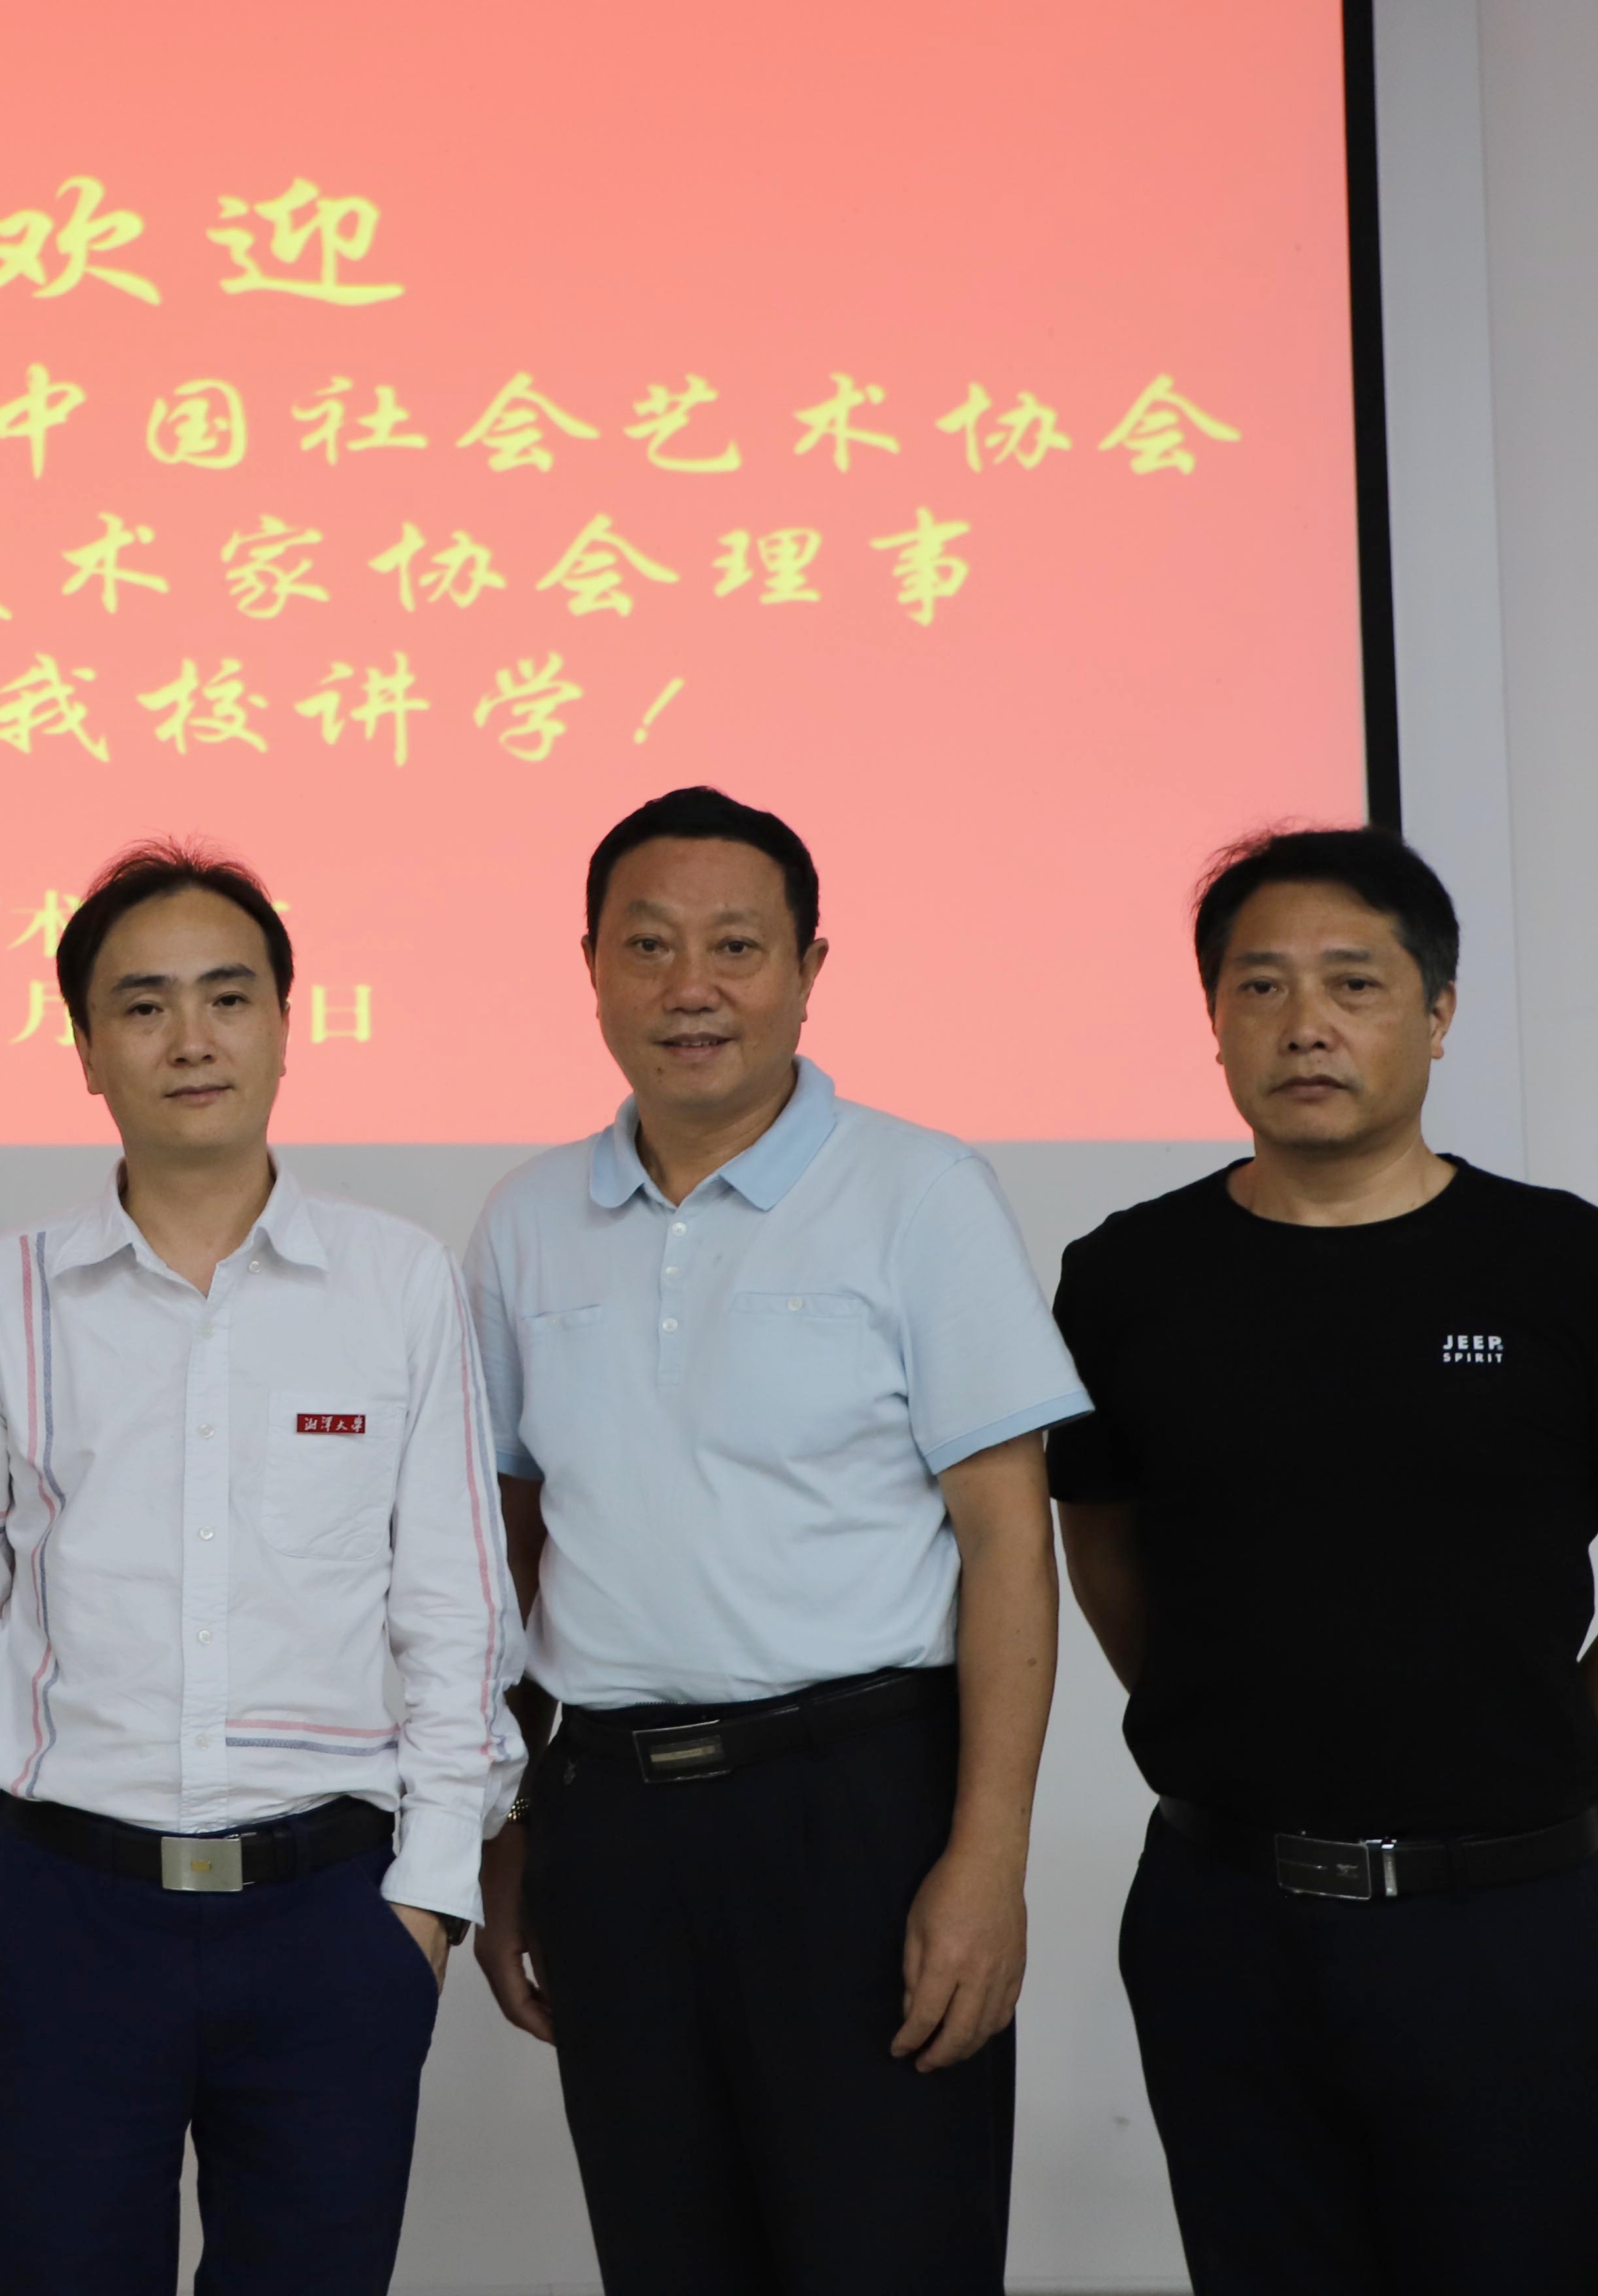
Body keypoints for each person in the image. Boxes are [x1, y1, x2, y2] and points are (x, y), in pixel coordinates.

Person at [1048, 828, 1598, 2296]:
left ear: (1435, 1013)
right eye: (1261, 986)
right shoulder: (1126, 1278)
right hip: (1221, 1918)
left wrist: (1517, 1766)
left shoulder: (1574, 1269)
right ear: (1214, 1020)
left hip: (1501, 1927)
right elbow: (1100, 1543)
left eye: (1352, 983)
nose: (1304, 1023)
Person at [0, 841, 522, 2296]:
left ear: (286, 1023)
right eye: (144, 1004)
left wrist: (428, 1898)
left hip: (334, 1914)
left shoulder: (397, 1283)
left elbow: (457, 1608)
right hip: (65, 1909)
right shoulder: (5, 1295)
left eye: (227, 997)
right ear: (86, 1047)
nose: (190, 1039)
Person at [464, 785, 1086, 2296]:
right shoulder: (525, 1220)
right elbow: (505, 1550)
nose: (690, 986)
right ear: (591, 967)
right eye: (648, 945)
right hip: (610, 1823)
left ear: (808, 967)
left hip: (857, 1812)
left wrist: (984, 1858)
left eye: (735, 946)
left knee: (890, 2255)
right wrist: (503, 1833)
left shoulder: (918, 1191)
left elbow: (1008, 1543)